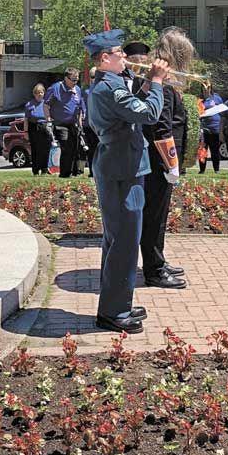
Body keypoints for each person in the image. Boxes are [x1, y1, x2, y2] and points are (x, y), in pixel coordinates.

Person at [84, 28, 168, 335]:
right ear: (105, 58)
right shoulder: (110, 88)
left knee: (119, 241)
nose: (125, 58)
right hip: (122, 170)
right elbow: (148, 115)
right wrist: (157, 82)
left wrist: (146, 85)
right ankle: (112, 312)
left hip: (124, 166)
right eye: (120, 53)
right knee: (124, 243)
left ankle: (118, 302)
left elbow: (132, 111)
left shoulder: (114, 84)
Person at [127, 31, 190, 290]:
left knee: (157, 215)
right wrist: (171, 164)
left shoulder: (160, 78)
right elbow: (162, 128)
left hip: (158, 158)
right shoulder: (161, 81)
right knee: (155, 215)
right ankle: (153, 269)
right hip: (158, 160)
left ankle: (158, 261)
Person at [44, 68, 83, 178]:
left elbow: (79, 108)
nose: (75, 83)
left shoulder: (77, 90)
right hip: (60, 123)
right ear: (66, 78)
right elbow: (46, 105)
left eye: (77, 80)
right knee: (66, 146)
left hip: (73, 124)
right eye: (73, 80)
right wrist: (48, 120)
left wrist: (80, 123)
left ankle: (74, 172)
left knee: (75, 148)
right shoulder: (55, 88)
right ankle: (65, 174)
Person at [24, 83, 51, 175]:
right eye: (37, 93)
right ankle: (35, 170)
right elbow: (26, 119)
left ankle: (44, 169)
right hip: (33, 128)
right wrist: (25, 132)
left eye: (41, 92)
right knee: (35, 149)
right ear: (34, 94)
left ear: (44, 93)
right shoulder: (29, 104)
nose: (39, 94)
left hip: (45, 127)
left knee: (45, 149)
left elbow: (50, 117)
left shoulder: (47, 104)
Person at [199, 83, 224, 174]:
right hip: (204, 130)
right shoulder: (200, 100)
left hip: (215, 128)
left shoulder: (217, 98)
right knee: (202, 150)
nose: (206, 90)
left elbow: (222, 111)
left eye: (208, 88)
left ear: (211, 88)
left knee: (215, 150)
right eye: (204, 88)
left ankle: (216, 169)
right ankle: (202, 169)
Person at [82, 67, 100, 177]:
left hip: (101, 125)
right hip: (89, 125)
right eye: (92, 77)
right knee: (92, 149)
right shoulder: (86, 92)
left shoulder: (103, 89)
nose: (94, 79)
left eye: (96, 77)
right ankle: (93, 171)